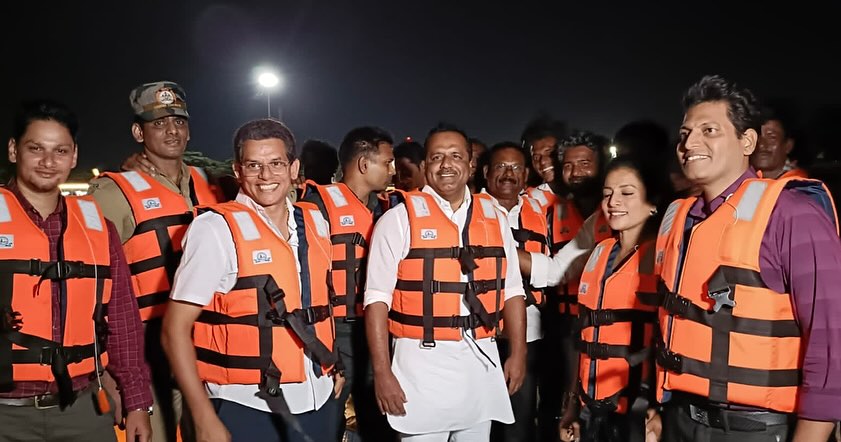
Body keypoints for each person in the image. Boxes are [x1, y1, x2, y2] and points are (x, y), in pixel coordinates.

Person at [650, 75, 841, 441]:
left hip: (755, 428)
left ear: (747, 141)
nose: (689, 143)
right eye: (685, 133)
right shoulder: (678, 218)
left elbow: (831, 339)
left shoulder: (793, 214)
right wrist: (660, 410)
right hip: (680, 420)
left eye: (709, 130)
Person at [161, 118, 343, 442]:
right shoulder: (214, 230)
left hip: (319, 397)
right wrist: (202, 417)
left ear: (294, 168)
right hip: (245, 404)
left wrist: (333, 364)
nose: (266, 176)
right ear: (238, 170)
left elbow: (318, 304)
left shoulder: (315, 222)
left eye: (276, 164)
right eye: (253, 165)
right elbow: (174, 329)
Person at [0, 100, 152, 441]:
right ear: (13, 150)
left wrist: (138, 403)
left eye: (60, 151)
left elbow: (123, 320)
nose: (48, 161)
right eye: (35, 148)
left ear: (73, 156)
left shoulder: (99, 228)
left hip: (81, 411)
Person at [365, 123, 527, 441]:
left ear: (470, 164)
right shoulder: (397, 220)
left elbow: (512, 290)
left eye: (455, 156)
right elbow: (376, 300)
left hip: (481, 366)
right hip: (419, 366)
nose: (446, 164)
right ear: (425, 165)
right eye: (437, 157)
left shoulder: (495, 218)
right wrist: (382, 373)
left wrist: (518, 353)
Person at [89, 81, 219, 441]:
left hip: (206, 344)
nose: (171, 130)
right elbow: (89, 282)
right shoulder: (113, 192)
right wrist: (106, 371)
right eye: (158, 123)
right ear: (138, 133)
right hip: (147, 349)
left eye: (178, 121)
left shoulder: (210, 183)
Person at [558, 155, 671, 442]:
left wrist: (661, 411)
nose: (613, 202)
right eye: (607, 194)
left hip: (639, 413)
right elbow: (582, 338)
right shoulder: (599, 252)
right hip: (590, 409)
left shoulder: (665, 257)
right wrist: (571, 404)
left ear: (653, 201)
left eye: (627, 193)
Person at [301, 126, 395, 440]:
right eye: (387, 163)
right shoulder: (317, 206)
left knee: (379, 420)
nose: (393, 170)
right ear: (364, 164)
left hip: (377, 329)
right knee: (328, 419)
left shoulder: (388, 209)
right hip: (335, 331)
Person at [482, 142, 549, 442]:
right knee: (479, 425)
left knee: (518, 426)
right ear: (486, 172)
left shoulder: (541, 211)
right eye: (500, 167)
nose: (508, 174)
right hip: (480, 336)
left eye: (515, 168)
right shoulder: (469, 209)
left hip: (529, 335)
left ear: (525, 175)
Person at [750, 104, 808, 179]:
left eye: (772, 137)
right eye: (757, 137)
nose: (761, 145)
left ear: (788, 146)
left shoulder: (797, 184)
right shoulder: (743, 180)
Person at [521, 117, 566, 210]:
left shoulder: (588, 193)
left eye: (549, 152)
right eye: (536, 157)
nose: (542, 161)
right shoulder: (529, 200)